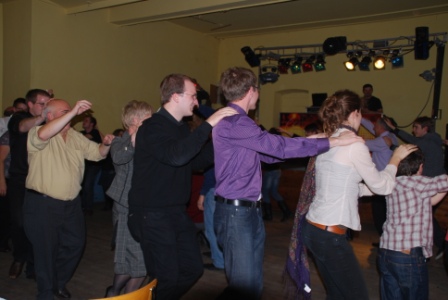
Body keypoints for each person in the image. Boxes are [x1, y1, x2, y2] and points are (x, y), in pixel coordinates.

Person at [212, 68, 363, 300]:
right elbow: (278, 148)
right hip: (236, 214)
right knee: (244, 286)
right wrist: (331, 142)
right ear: (252, 91)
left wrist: (315, 140)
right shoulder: (237, 123)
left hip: (245, 211)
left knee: (251, 285)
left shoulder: (238, 124)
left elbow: (270, 155)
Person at [127, 74, 237, 300]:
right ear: (175, 96)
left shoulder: (180, 128)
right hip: (151, 213)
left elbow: (192, 162)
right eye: (193, 96)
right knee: (166, 276)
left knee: (192, 268)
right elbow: (177, 156)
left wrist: (220, 140)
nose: (197, 102)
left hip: (175, 211)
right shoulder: (153, 127)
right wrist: (208, 124)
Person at [303, 90, 416, 300]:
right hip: (329, 235)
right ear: (356, 114)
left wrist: (373, 186)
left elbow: (347, 185)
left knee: (337, 294)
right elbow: (383, 187)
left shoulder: (331, 141)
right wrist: (395, 160)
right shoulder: (354, 144)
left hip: (314, 231)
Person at [23, 99, 114, 300]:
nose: (72, 115)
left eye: (70, 111)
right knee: (46, 251)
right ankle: (46, 294)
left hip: (71, 204)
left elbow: (97, 153)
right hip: (43, 204)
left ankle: (57, 283)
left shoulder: (74, 136)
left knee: (75, 244)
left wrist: (106, 145)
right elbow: (44, 134)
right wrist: (73, 111)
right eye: (65, 111)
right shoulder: (37, 132)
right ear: (50, 116)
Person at [376, 149, 448, 300]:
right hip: (407, 257)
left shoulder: (392, 183)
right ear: (420, 166)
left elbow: (430, 201)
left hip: (386, 254)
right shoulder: (417, 183)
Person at [105, 100, 152, 297]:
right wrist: (134, 141)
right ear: (136, 120)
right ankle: (119, 294)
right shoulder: (119, 141)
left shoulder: (148, 140)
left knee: (133, 260)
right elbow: (119, 158)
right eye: (149, 118)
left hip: (145, 207)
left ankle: (114, 293)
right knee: (138, 261)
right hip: (125, 207)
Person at [383, 116, 446, 257]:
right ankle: (437, 245)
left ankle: (441, 245)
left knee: (426, 215)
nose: (413, 130)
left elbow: (411, 149)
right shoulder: (431, 141)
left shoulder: (428, 142)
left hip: (430, 184)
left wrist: (393, 143)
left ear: (425, 129)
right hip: (430, 184)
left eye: (416, 127)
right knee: (426, 214)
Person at [7, 89, 51, 279]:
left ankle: (33, 265)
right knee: (19, 222)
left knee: (38, 225)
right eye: (41, 103)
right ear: (30, 104)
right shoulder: (19, 118)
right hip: (19, 180)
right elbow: (24, 127)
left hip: (41, 180)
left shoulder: (49, 122)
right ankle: (19, 257)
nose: (45, 107)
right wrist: (43, 115)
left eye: (47, 104)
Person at [361, 117, 399, 245]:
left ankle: (386, 240)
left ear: (381, 128)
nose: (373, 128)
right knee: (387, 213)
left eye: (375, 126)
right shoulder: (392, 136)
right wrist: (359, 117)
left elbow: (362, 144)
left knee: (380, 214)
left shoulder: (382, 141)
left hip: (382, 181)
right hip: (390, 180)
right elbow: (370, 125)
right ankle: (388, 240)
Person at [261, 127, 292, 222]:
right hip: (277, 170)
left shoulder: (269, 144)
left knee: (265, 192)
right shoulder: (279, 144)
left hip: (270, 171)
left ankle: (269, 215)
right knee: (274, 192)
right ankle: (286, 211)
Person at [81, 115, 103, 215]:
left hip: (94, 164)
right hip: (84, 164)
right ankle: (83, 206)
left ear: (92, 124)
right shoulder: (81, 133)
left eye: (86, 120)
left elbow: (82, 139)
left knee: (87, 185)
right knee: (82, 185)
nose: (83, 122)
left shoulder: (94, 133)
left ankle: (88, 208)